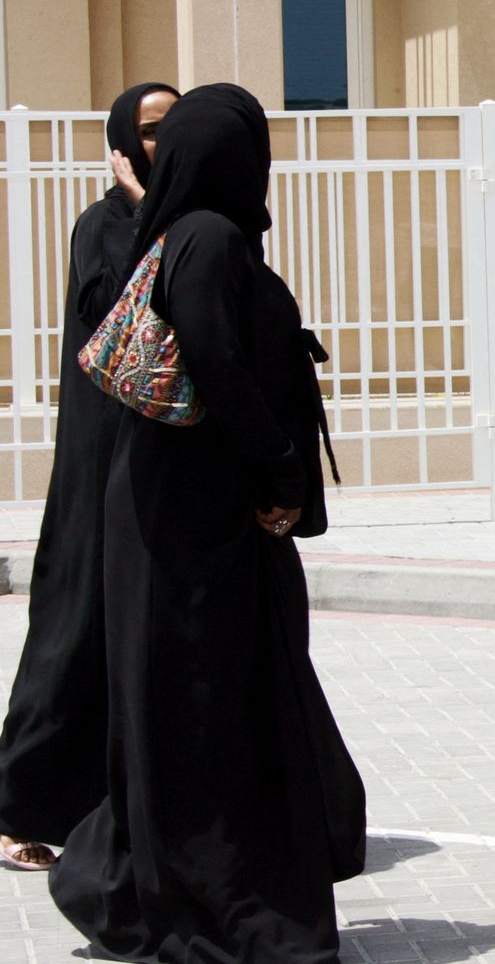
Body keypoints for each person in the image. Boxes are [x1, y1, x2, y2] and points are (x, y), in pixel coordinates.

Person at [48, 84, 366, 962]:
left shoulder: (184, 236)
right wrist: (275, 467)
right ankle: (205, 898)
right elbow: (219, 362)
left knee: (203, 705)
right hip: (194, 525)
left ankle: (129, 882)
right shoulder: (211, 241)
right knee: (202, 709)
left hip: (182, 514)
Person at [0, 82, 177, 872]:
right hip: (98, 457)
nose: (161, 142)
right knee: (74, 630)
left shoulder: (203, 220)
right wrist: (146, 207)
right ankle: (18, 808)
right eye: (147, 130)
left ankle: (128, 810)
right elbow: (121, 306)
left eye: (175, 129)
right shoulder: (102, 223)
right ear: (120, 143)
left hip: (165, 464)